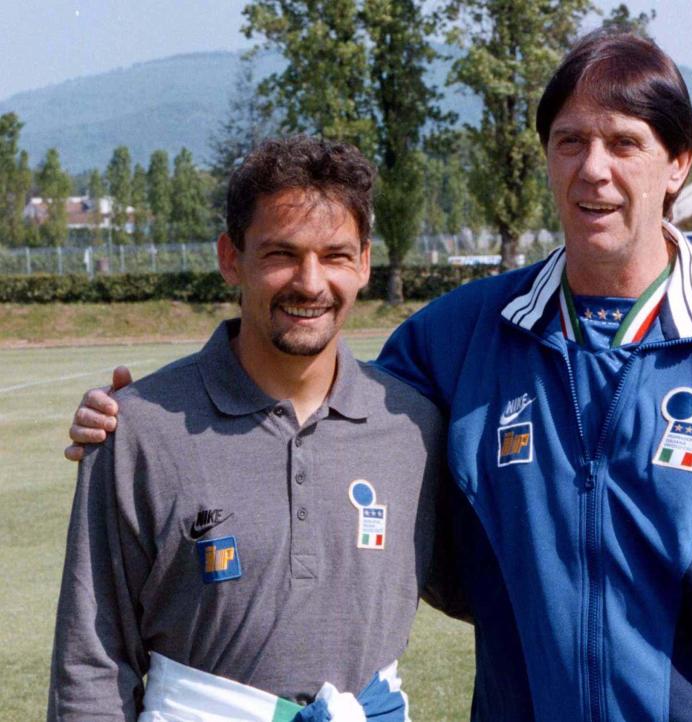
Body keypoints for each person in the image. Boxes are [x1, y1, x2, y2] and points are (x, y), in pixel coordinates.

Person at [66, 31, 692, 722]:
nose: (593, 169)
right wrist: (143, 421)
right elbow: (315, 419)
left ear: (677, 163)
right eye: (570, 141)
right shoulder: (455, 338)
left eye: (625, 142)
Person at [49, 135, 451, 722]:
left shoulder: (413, 426)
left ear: (364, 262)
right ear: (230, 258)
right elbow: (92, 662)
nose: (310, 283)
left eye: (335, 255)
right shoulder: (136, 428)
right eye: (281, 254)